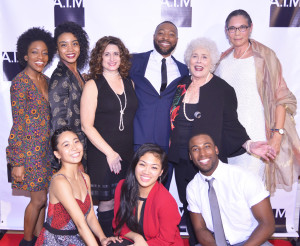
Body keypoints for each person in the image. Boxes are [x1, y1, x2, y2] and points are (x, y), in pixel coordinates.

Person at [168, 37, 275, 246]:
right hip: (182, 159)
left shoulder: (222, 89)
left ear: (213, 62)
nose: (199, 61)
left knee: (214, 210)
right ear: (188, 60)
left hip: (206, 159)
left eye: (204, 57)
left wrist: (249, 144)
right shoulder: (180, 85)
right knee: (192, 210)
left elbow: (230, 124)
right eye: (194, 56)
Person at [215, 9, 300, 193]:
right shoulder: (221, 60)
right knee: (229, 196)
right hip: (228, 139)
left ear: (251, 28)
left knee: (250, 195)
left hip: (257, 139)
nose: (237, 33)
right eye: (232, 28)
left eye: (242, 27)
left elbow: (281, 98)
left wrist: (276, 136)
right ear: (226, 31)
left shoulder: (264, 57)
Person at [81, 36, 138, 236]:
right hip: (103, 152)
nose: (112, 58)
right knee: (107, 200)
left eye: (116, 53)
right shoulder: (92, 85)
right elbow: (86, 126)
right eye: (107, 54)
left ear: (122, 57)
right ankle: (105, 240)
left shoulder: (129, 83)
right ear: (99, 57)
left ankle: (118, 236)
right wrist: (110, 153)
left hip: (126, 151)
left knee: (123, 197)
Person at [6, 27, 56, 246]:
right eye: (35, 52)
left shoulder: (45, 79)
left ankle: (39, 239)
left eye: (44, 53)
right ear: (25, 55)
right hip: (29, 152)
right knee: (37, 199)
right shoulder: (20, 82)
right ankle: (26, 242)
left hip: (46, 150)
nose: (40, 57)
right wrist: (16, 162)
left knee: (43, 200)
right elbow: (17, 124)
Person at [35, 126, 122, 246]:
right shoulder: (60, 181)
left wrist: (102, 238)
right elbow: (80, 223)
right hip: (56, 242)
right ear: (57, 154)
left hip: (78, 238)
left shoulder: (85, 178)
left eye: (76, 141)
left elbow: (90, 215)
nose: (74, 147)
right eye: (66, 145)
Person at [130, 21, 189, 189]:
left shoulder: (184, 70)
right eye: (161, 33)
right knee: (134, 194)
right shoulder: (134, 61)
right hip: (137, 140)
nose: (166, 37)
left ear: (176, 39)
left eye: (171, 34)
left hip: (167, 144)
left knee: (161, 193)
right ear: (154, 37)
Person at [187, 133, 275, 246]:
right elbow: (200, 229)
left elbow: (267, 224)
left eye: (207, 146)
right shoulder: (192, 187)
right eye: (195, 149)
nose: (202, 153)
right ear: (190, 156)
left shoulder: (244, 177)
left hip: (251, 241)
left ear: (216, 150)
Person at [111, 143, 184, 246]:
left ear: (161, 172)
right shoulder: (123, 187)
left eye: (154, 167)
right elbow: (119, 225)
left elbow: (165, 240)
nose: (146, 171)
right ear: (135, 165)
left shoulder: (166, 201)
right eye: (142, 164)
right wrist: (138, 238)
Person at [48, 21, 89, 171]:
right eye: (64, 45)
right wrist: (73, 160)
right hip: (71, 154)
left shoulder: (76, 73)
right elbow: (58, 123)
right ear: (57, 50)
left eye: (74, 43)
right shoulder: (60, 76)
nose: (70, 49)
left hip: (81, 147)